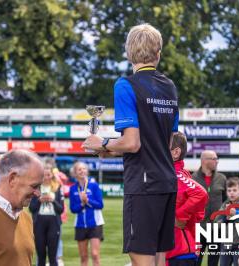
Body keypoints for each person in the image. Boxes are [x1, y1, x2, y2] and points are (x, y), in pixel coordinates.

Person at [83, 23, 179, 266]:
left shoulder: (126, 85)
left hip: (143, 185)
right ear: (159, 53)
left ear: (128, 53)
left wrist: (102, 142)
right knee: (159, 258)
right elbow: (163, 144)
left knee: (141, 258)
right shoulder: (170, 87)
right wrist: (112, 150)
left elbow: (133, 143)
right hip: (167, 181)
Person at [166, 132, 208, 266]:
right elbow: (199, 213)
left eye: (162, 146)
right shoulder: (175, 175)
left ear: (175, 152)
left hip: (180, 252)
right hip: (175, 250)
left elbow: (201, 194)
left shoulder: (177, 175)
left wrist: (179, 217)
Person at [192, 150, 227, 266]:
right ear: (204, 161)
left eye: (217, 158)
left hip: (217, 228)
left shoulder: (222, 178)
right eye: (213, 158)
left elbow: (226, 200)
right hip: (198, 227)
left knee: (213, 261)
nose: (216, 161)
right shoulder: (192, 178)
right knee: (196, 261)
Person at [69, 162, 104, 266]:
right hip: (80, 225)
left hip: (95, 224)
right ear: (75, 173)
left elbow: (100, 205)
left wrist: (87, 200)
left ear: (87, 171)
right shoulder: (73, 188)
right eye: (79, 169)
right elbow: (73, 209)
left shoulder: (94, 186)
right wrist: (82, 203)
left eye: (84, 169)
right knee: (83, 257)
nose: (82, 171)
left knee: (95, 254)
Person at [29, 163, 64, 266]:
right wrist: (39, 200)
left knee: (53, 256)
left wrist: (52, 201)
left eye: (48, 175)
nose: (46, 177)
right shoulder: (36, 189)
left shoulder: (57, 188)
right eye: (43, 175)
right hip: (39, 222)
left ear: (52, 175)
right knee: (41, 255)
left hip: (53, 222)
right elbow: (31, 208)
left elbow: (61, 209)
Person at [214, 177, 239, 266]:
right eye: (229, 190)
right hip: (226, 244)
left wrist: (236, 215)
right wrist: (225, 218)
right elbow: (216, 224)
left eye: (234, 190)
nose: (231, 193)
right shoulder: (225, 205)